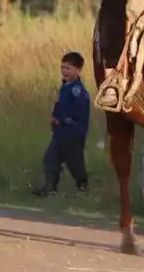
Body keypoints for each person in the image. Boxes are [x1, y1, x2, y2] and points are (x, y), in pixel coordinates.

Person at [33, 52, 90, 196]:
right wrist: (55, 117)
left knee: (74, 163)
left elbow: (80, 112)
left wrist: (63, 120)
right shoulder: (66, 87)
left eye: (68, 68)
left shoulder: (78, 90)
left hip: (73, 133)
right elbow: (61, 106)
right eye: (62, 68)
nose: (64, 71)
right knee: (50, 159)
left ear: (78, 70)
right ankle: (49, 189)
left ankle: (83, 186)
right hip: (60, 133)